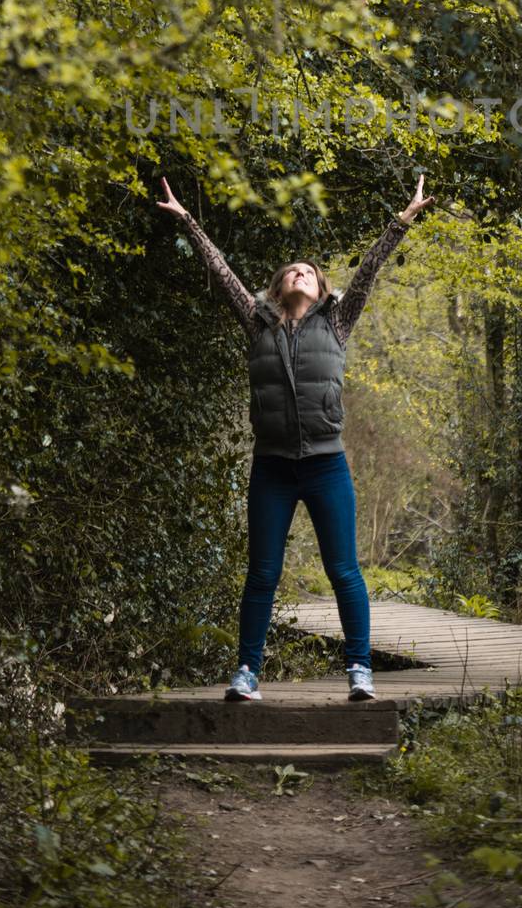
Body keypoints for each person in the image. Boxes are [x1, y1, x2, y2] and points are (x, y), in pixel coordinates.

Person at [156, 173, 435, 702]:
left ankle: (359, 670)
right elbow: (221, 273)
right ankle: (246, 674)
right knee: (262, 573)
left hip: (327, 464)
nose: (300, 274)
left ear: (321, 287)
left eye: (309, 272)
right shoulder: (257, 323)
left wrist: (403, 220)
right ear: (279, 287)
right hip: (273, 467)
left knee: (344, 571)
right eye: (292, 272)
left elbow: (371, 268)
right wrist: (189, 221)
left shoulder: (338, 321)